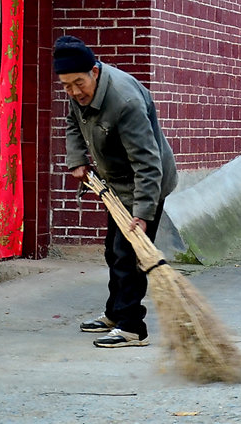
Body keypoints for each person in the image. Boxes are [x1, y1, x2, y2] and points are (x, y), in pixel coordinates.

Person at [53, 35, 178, 348]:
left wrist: (143, 213)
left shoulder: (125, 102)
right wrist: (77, 159)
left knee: (130, 255)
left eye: (78, 83)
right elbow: (72, 120)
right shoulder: (77, 88)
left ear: (95, 71)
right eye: (66, 85)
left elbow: (148, 163)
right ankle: (114, 312)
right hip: (116, 184)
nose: (73, 92)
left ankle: (132, 327)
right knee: (113, 250)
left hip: (145, 183)